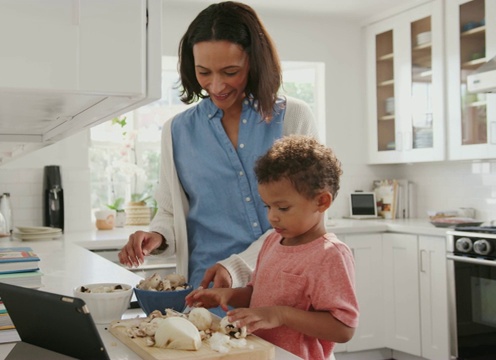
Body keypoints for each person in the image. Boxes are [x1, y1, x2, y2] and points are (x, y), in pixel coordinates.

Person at [118, 1, 318, 293]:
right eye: (204, 72)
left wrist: (237, 266)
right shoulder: (177, 131)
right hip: (207, 292)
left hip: (284, 287)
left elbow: (307, 213)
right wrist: (157, 236)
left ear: (254, 61)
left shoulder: (293, 118)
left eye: (230, 71)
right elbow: (172, 213)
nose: (216, 85)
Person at [185, 135, 359, 360]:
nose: (272, 217)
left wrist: (280, 315)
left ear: (322, 202)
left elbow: (343, 329)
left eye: (283, 208)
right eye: (267, 206)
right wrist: (228, 295)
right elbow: (259, 296)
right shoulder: (272, 242)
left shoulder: (330, 255)